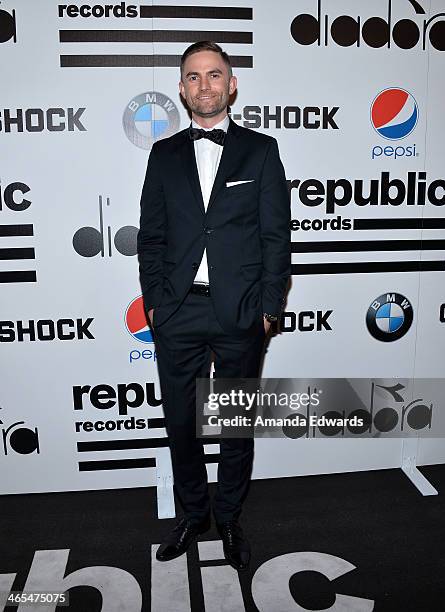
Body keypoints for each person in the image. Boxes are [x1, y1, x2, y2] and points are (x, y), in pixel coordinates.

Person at [137, 41, 290, 571]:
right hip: (177, 312)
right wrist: (156, 303)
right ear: (182, 89)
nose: (204, 85)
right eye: (194, 77)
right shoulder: (164, 154)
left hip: (240, 313)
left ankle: (228, 518)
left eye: (214, 75)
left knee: (233, 424)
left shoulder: (261, 150)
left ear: (232, 84)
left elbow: (276, 235)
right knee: (181, 422)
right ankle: (193, 514)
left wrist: (270, 306)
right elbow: (151, 237)